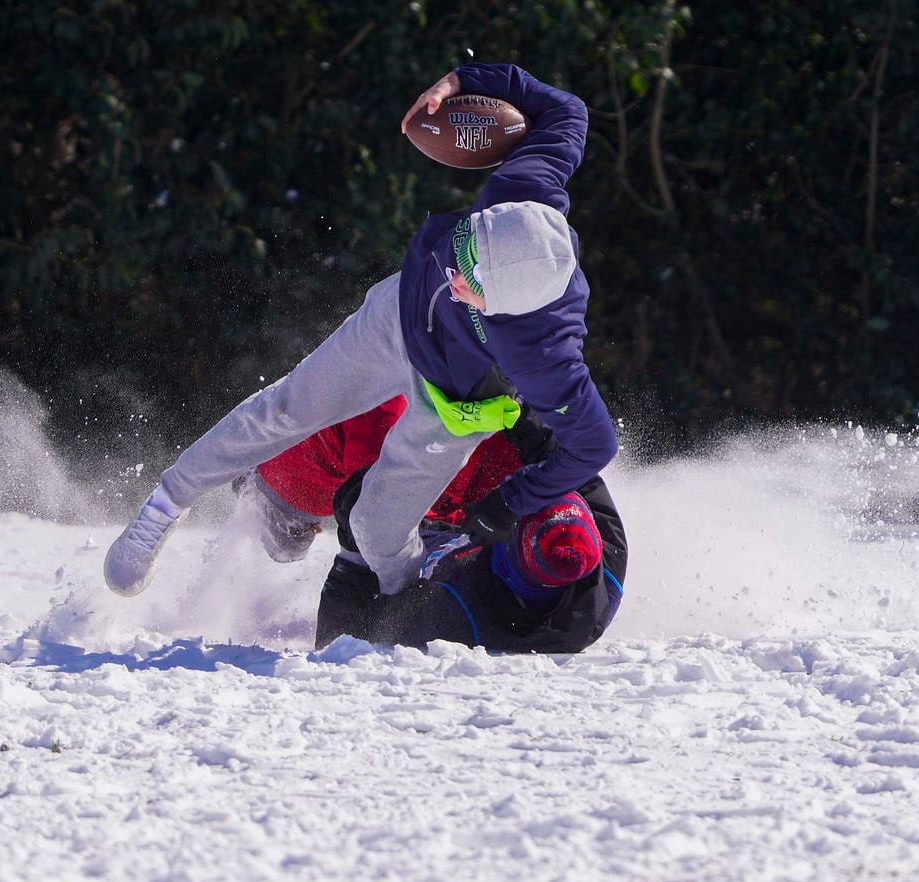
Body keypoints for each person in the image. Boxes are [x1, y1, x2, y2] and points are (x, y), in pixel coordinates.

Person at [105, 63, 618, 601]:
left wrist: (513, 500)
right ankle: (163, 506)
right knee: (286, 410)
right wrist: (459, 82)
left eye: (470, 279)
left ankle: (408, 601)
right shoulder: (528, 185)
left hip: (453, 398)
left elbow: (594, 445)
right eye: (465, 244)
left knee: (378, 530)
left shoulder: (547, 355)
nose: (454, 270)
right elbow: (567, 108)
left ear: (508, 309)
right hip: (397, 317)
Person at [257, 401, 628, 653]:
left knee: (378, 418)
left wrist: (353, 549)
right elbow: (575, 469)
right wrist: (520, 408)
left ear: (512, 548)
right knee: (487, 416)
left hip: (414, 533)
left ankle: (280, 502)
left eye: (522, 512)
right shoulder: (607, 569)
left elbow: (342, 639)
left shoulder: (455, 615)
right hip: (474, 511)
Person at [233, 394, 522, 563]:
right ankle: (250, 471)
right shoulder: (389, 399)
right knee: (285, 548)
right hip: (292, 484)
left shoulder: (492, 412)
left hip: (337, 474)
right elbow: (374, 489)